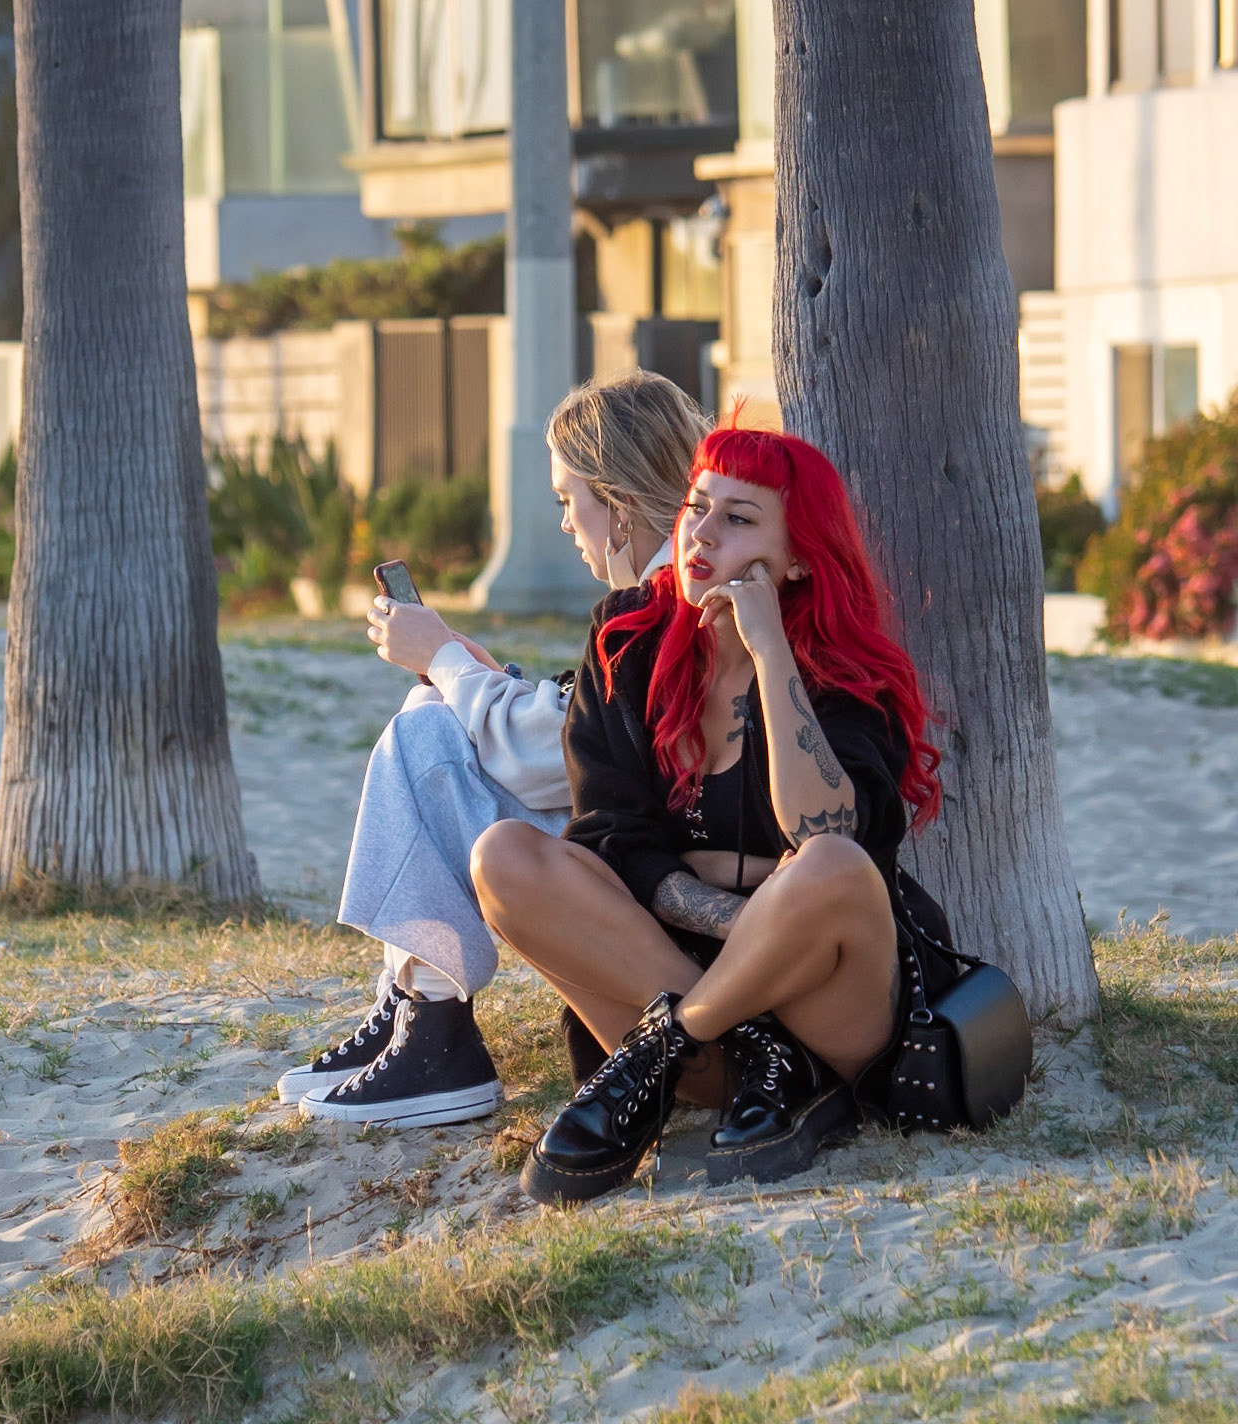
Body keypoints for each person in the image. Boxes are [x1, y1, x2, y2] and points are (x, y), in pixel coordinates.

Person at [470, 421, 956, 1203]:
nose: (702, 533)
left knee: (830, 867)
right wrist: (754, 911)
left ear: (797, 557)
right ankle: (739, 1054)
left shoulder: (845, 670)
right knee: (504, 856)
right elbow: (610, 836)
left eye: (739, 519)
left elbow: (829, 838)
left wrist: (771, 655)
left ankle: (662, 1050)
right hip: (714, 1026)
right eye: (698, 507)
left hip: (830, 1013)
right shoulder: (624, 641)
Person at [276, 371, 709, 1128]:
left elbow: (551, 756)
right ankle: (415, 999)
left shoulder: (663, 598)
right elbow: (581, 723)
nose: (567, 526)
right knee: (432, 710)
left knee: (427, 730)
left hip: (641, 877)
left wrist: (447, 658)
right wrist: (464, 670)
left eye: (568, 500)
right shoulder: (687, 582)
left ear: (617, 502)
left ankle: (435, 1030)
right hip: (647, 859)